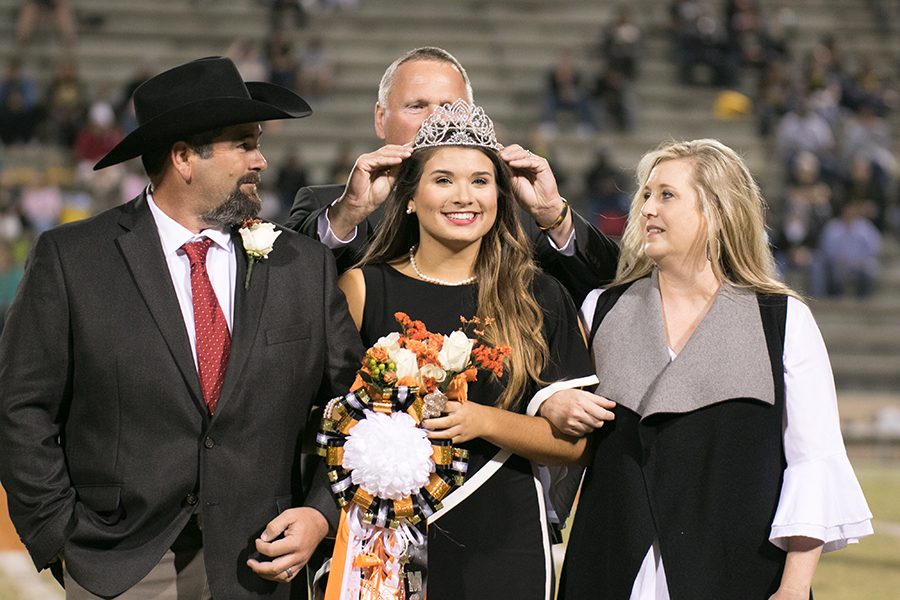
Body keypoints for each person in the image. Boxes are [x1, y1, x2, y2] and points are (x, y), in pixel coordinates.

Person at [0, 56, 363, 599]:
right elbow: (20, 408)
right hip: (120, 566)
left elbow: (357, 406)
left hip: (261, 563)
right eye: (244, 143)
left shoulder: (302, 266)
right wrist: (59, 536)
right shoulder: (73, 259)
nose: (261, 160)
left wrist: (319, 512)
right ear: (184, 157)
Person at [549, 139, 873, 599]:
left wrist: (795, 586)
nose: (647, 209)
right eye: (645, 195)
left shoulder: (781, 319)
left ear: (716, 212)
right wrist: (555, 407)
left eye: (666, 195)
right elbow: (563, 445)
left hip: (738, 575)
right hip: (607, 570)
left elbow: (813, 460)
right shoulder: (601, 308)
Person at [332, 100, 614, 600]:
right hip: (383, 542)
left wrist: (483, 421)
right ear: (410, 197)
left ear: (501, 197)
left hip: (505, 538)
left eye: (481, 181)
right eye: (443, 180)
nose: (464, 196)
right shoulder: (363, 288)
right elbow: (329, 421)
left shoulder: (537, 295)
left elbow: (575, 447)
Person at [284, 46, 620, 305]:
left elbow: (609, 287)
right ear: (380, 119)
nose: (435, 121)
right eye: (416, 106)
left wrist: (555, 217)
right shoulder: (328, 207)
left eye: (448, 107)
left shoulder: (519, 214)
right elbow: (281, 291)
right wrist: (348, 214)